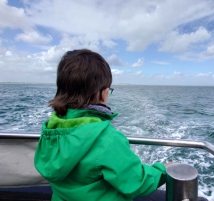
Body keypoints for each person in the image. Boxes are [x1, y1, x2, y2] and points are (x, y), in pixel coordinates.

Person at [34, 49, 170, 201]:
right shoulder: (107, 139)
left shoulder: (50, 129)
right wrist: (164, 170)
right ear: (103, 93)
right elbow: (136, 182)